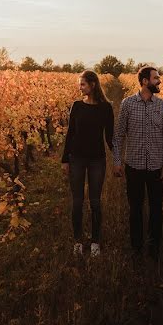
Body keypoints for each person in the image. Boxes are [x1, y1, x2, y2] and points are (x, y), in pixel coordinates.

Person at [113, 66, 163, 261]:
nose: (159, 81)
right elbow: (119, 135)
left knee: (157, 209)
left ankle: (154, 247)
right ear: (145, 81)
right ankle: (136, 247)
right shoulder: (128, 104)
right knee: (135, 208)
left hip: (157, 166)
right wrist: (117, 161)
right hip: (134, 166)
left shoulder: (162, 106)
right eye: (156, 78)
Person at [61, 70, 114, 257]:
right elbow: (70, 134)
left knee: (95, 202)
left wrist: (117, 160)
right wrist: (65, 159)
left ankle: (95, 241)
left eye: (82, 84)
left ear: (92, 85)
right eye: (79, 84)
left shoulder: (106, 108)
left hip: (97, 160)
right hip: (76, 158)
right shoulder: (76, 106)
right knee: (77, 202)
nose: (80, 87)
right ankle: (77, 241)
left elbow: (110, 137)